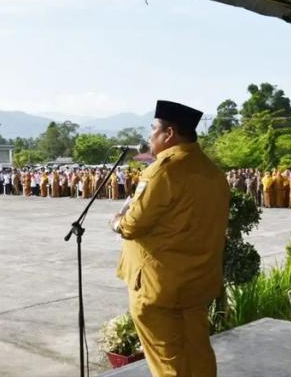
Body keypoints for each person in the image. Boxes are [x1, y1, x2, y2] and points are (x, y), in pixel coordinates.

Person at [110, 100, 229, 377]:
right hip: (196, 283)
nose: (150, 135)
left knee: (168, 365)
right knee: (198, 357)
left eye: (153, 129)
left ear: (169, 133)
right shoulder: (212, 172)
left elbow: (133, 224)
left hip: (159, 286)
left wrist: (116, 222)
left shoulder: (163, 170)